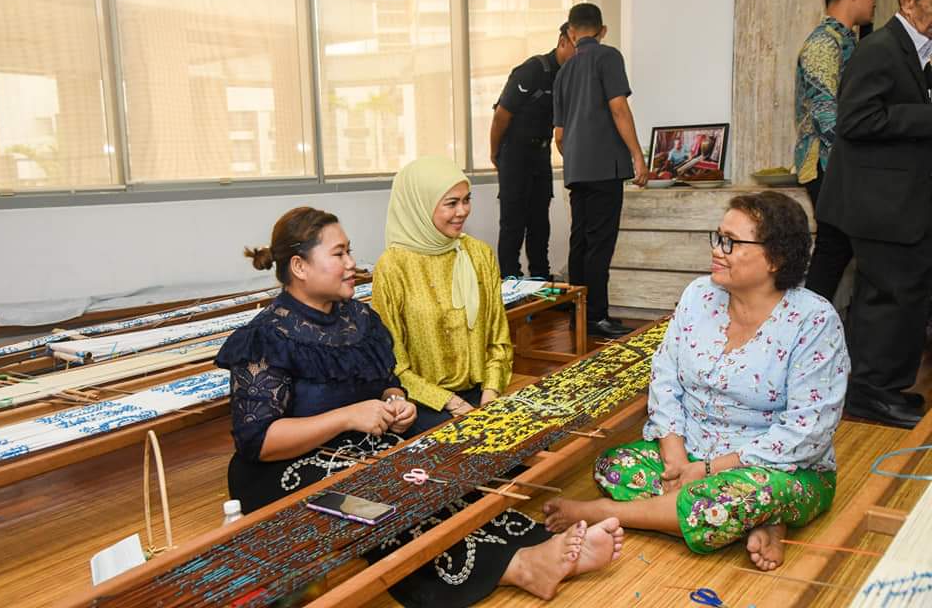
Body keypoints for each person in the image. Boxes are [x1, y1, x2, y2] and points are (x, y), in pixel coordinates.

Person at [215, 206, 625, 607]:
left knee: (434, 480)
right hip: (285, 470)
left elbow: (387, 380)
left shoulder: (358, 318)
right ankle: (520, 567)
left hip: (359, 448)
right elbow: (258, 440)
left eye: (349, 251)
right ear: (299, 267)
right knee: (385, 504)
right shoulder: (266, 336)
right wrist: (347, 416)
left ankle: (536, 542)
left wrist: (397, 402)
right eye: (338, 254)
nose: (352, 263)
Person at [543, 192, 849, 573]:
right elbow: (666, 377)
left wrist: (709, 470)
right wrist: (675, 458)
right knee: (614, 465)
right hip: (693, 453)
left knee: (738, 496)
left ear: (777, 257)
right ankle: (758, 521)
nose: (718, 251)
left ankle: (613, 512)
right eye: (718, 237)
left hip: (778, 469)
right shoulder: (699, 296)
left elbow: (808, 429)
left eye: (732, 243)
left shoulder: (814, 320)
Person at [815, 0, 932, 428]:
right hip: (877, 204)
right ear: (908, 2)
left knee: (902, 296)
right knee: (886, 299)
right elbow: (857, 120)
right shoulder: (878, 49)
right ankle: (867, 394)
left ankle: (885, 388)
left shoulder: (914, 50)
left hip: (900, 203)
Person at [372, 156, 512, 435]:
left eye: (466, 200)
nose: (462, 211)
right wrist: (451, 402)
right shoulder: (393, 266)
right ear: (419, 205)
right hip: (423, 402)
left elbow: (499, 338)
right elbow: (393, 363)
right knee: (464, 452)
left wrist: (491, 394)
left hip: (483, 391)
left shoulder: (478, 254)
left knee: (527, 447)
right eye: (451, 203)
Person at [553, 3, 649, 339]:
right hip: (605, 167)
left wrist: (579, 155)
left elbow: (560, 137)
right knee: (600, 245)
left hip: (577, 170)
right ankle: (596, 317)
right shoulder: (608, 57)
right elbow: (619, 108)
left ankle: (578, 315)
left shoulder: (563, 71)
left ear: (571, 33)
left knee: (579, 242)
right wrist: (637, 155)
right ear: (602, 30)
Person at [795, 0, 881, 301]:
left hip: (841, 164)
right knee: (834, 248)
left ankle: (813, 328)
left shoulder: (848, 42)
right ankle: (806, 330)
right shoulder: (822, 44)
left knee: (837, 248)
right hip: (827, 163)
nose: (875, 1)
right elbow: (825, 114)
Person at [491, 22, 575, 280]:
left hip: (540, 154)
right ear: (562, 41)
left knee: (540, 222)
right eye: (576, 44)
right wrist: (496, 154)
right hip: (515, 153)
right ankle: (510, 281)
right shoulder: (533, 70)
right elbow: (501, 116)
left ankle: (540, 278)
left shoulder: (570, 77)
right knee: (513, 222)